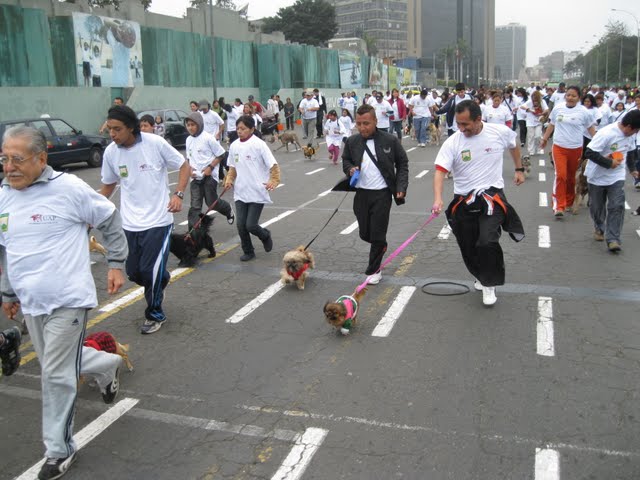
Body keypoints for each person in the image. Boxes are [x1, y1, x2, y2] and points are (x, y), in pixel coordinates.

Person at [0, 126, 128, 479]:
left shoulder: (68, 188)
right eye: (4, 159)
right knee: (58, 364)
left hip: (68, 298)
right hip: (32, 301)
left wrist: (116, 263)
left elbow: (108, 217)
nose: (9, 167)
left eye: (16, 159)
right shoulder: (4, 196)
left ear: (41, 158)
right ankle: (107, 364)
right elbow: (6, 249)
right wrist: (8, 293)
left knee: (55, 375)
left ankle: (59, 450)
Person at [100, 105, 190, 334]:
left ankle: (155, 314)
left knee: (150, 271)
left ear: (130, 127)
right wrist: (91, 211)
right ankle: (161, 278)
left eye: (117, 129)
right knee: (134, 272)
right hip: (130, 223)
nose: (112, 134)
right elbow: (108, 185)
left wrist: (178, 194)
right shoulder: (111, 152)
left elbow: (183, 165)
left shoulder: (155, 143)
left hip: (159, 220)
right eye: (109, 129)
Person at [431, 100, 525, 306]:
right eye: (458, 123)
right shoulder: (453, 142)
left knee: (487, 241)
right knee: (468, 245)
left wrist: (519, 169)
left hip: (492, 196)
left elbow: (514, 143)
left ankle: (489, 283)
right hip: (464, 200)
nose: (461, 128)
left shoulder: (499, 132)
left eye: (465, 124)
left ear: (478, 119)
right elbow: (440, 171)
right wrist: (438, 198)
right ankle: (480, 275)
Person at [342, 104, 409, 284]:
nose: (362, 127)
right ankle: (380, 245)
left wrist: (401, 186)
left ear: (375, 121)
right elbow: (345, 160)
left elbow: (402, 163)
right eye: (359, 123)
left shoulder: (390, 140)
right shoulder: (352, 141)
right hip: (361, 194)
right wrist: (350, 169)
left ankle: (374, 270)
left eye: (366, 123)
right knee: (365, 233)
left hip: (382, 195)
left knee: (378, 235)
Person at [223, 115, 280, 262]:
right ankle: (248, 251)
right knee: (241, 225)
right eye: (238, 128)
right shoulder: (234, 145)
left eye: (243, 129)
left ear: (252, 129)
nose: (239, 131)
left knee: (251, 225)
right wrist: (229, 180)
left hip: (257, 191)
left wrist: (273, 180)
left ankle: (265, 235)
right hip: (240, 191)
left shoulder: (259, 144)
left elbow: (273, 165)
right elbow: (232, 167)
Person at [584, 110, 640, 252]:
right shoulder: (606, 133)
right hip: (596, 176)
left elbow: (630, 152)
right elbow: (589, 152)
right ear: (629, 127)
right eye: (636, 130)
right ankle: (599, 227)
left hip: (616, 176)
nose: (636, 133)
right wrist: (609, 163)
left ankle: (613, 239)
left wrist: (632, 169)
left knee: (617, 205)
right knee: (597, 208)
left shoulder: (630, 135)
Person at [540, 86, 597, 217]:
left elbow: (591, 129)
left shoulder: (584, 112)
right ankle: (559, 206)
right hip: (559, 147)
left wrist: (599, 144)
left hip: (575, 148)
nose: (570, 98)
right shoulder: (558, 108)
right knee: (561, 175)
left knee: (571, 177)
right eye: (568, 95)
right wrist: (545, 139)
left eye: (573, 96)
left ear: (579, 98)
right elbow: (552, 124)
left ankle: (569, 201)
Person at [184, 112, 235, 229]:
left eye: (193, 125)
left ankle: (227, 209)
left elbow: (221, 154)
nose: (190, 127)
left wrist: (210, 167)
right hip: (195, 177)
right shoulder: (188, 140)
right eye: (188, 125)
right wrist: (189, 169)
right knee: (195, 206)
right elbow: (189, 157)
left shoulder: (208, 138)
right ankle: (193, 232)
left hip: (209, 176)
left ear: (199, 124)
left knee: (211, 203)